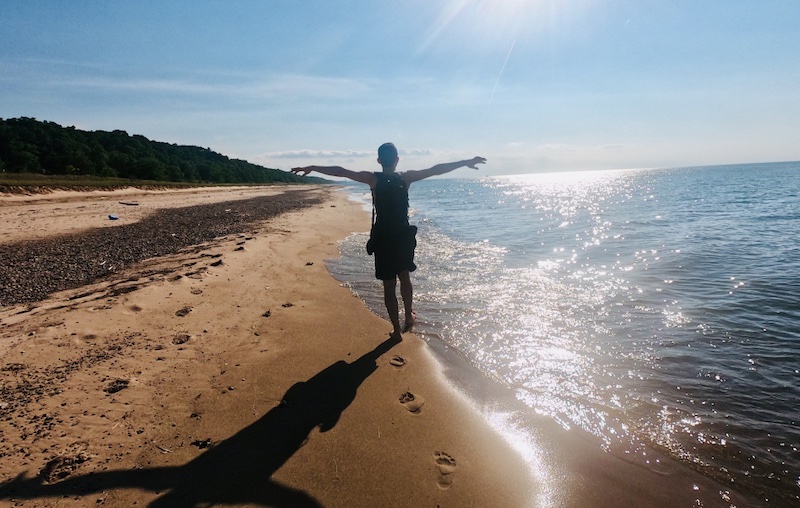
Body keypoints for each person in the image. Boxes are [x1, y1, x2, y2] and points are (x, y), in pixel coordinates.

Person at [291, 143, 485, 339]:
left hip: (383, 236)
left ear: (378, 161)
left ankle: (395, 331)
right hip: (402, 235)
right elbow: (435, 170)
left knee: (388, 285)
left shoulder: (373, 179)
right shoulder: (406, 178)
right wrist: (465, 162)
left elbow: (341, 171)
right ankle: (409, 317)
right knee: (405, 277)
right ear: (397, 160)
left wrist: (313, 167)